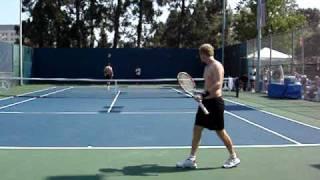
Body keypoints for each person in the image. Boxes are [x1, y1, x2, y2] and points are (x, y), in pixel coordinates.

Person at [176, 44, 240, 169]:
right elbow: (208, 85)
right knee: (197, 129)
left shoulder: (216, 66)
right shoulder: (207, 67)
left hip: (215, 103)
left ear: (203, 54)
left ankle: (233, 157)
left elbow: (217, 84)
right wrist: (201, 94)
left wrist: (203, 94)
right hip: (206, 102)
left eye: (200, 54)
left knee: (220, 132)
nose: (199, 57)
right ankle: (191, 159)